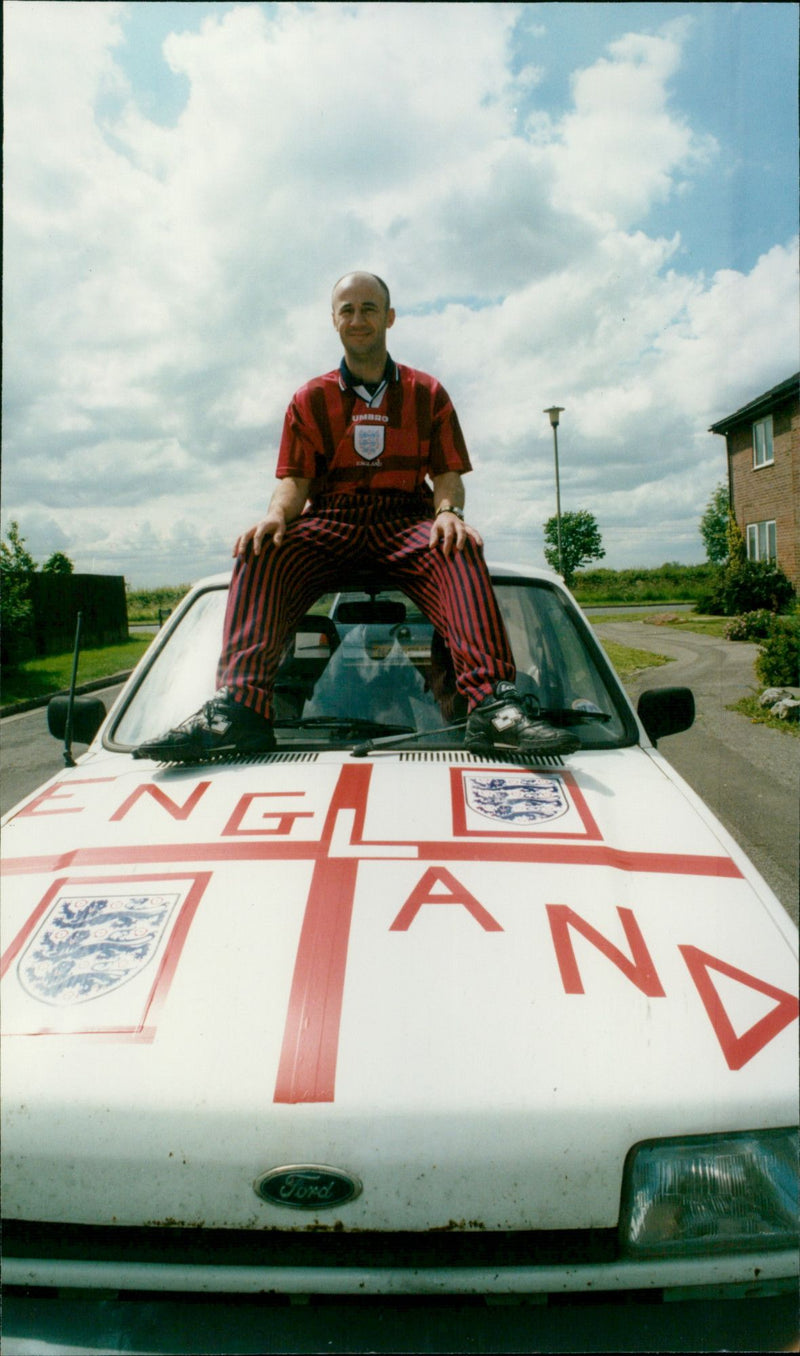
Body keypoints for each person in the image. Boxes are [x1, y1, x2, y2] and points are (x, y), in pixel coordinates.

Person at [133, 272, 579, 761]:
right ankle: (238, 711)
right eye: (347, 310)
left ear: (389, 317)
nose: (358, 319)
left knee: (461, 545)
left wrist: (448, 512)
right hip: (333, 520)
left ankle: (494, 706)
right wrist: (275, 517)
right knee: (259, 552)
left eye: (369, 308)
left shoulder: (426, 392)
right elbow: (295, 482)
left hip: (405, 518)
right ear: (333, 321)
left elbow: (448, 475)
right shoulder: (309, 399)